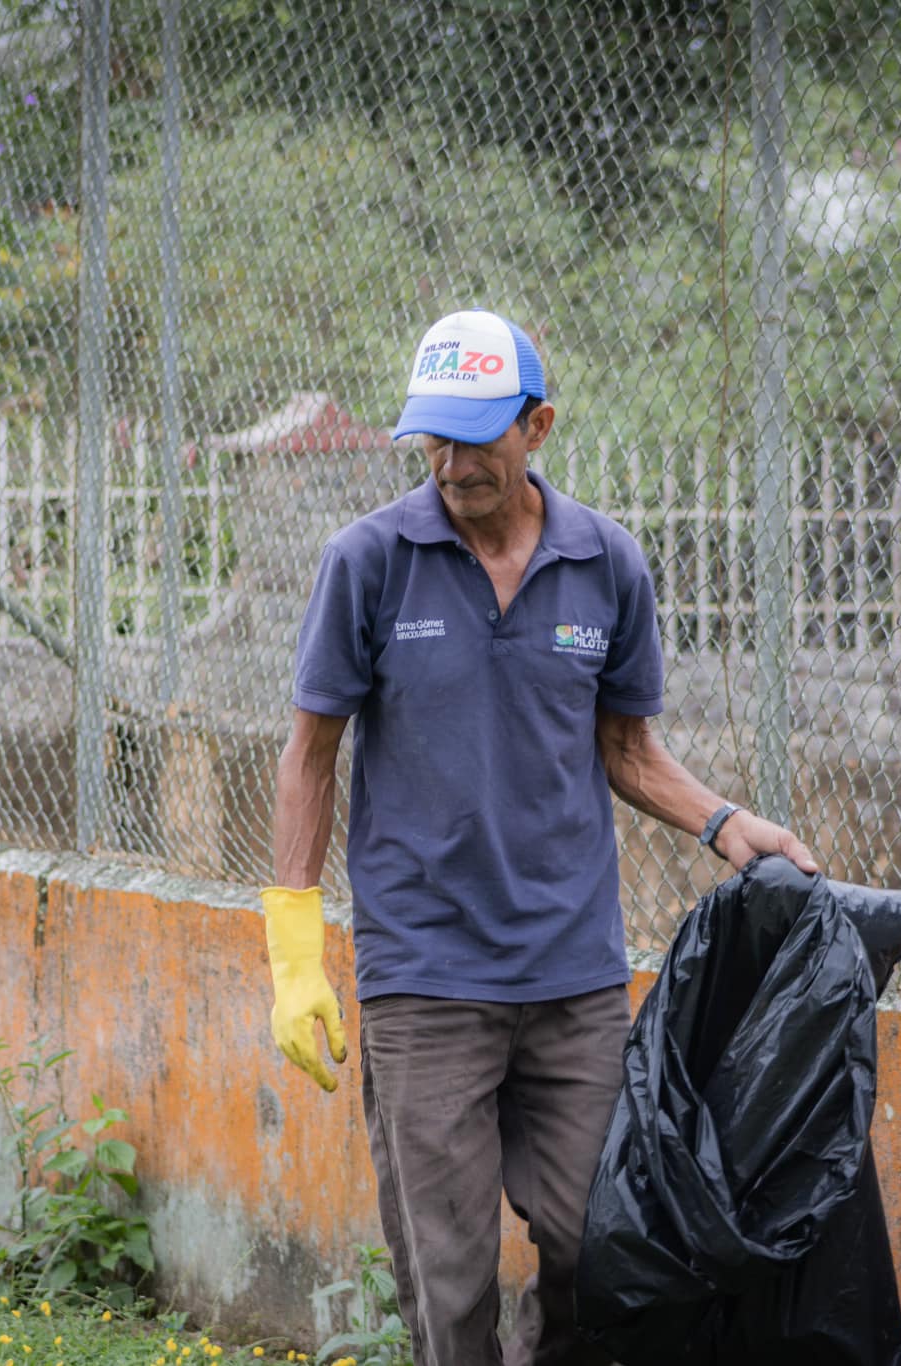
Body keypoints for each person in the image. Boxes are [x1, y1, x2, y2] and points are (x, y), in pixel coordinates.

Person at [260, 308, 817, 1366]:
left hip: (571, 975)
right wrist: (294, 952)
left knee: (597, 1246)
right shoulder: (368, 561)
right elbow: (309, 752)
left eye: (477, 439)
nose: (452, 464)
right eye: (434, 439)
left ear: (538, 426)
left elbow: (626, 747)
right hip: (425, 974)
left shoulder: (606, 564)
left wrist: (724, 822)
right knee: (450, 1275)